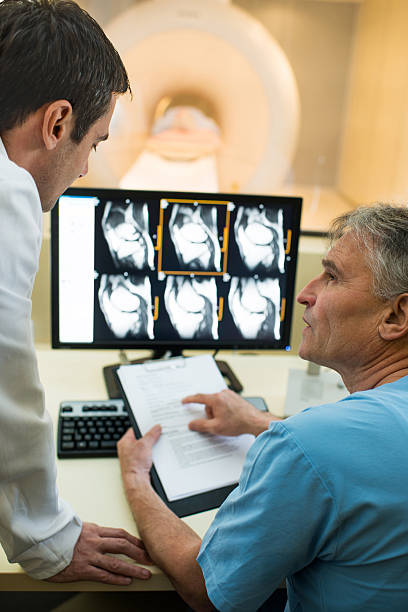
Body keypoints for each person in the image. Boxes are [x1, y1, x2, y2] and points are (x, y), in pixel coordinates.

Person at [118, 203, 408, 611]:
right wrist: (256, 420)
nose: (306, 294)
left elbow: (205, 589)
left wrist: (135, 478)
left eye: (332, 277)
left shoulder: (308, 445)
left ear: (396, 316)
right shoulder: (328, 442)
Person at [0, 0, 154, 584]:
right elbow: (5, 394)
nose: (86, 167)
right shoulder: (6, 190)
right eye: (93, 142)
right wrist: (50, 540)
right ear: (56, 122)